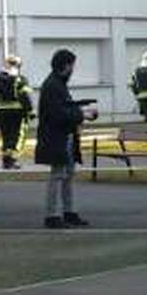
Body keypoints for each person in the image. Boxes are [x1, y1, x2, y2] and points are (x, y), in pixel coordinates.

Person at [35, 48, 96, 229]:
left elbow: (64, 108)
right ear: (66, 65)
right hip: (57, 137)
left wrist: (80, 110)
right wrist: (82, 114)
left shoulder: (57, 84)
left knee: (67, 176)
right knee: (58, 176)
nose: (73, 69)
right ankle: (51, 215)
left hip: (64, 137)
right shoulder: (53, 85)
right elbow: (59, 113)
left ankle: (69, 212)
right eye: (72, 65)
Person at [0, 54, 33, 170]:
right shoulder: (20, 79)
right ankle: (12, 160)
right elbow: (25, 96)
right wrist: (30, 111)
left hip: (2, 113)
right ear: (18, 66)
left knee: (6, 136)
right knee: (17, 136)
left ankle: (6, 161)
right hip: (17, 113)